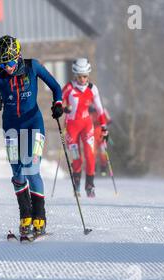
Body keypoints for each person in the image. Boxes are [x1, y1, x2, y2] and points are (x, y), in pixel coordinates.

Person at [0, 35, 63, 237]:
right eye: (2, 63)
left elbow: (56, 87)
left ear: (17, 56)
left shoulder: (32, 66)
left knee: (31, 168)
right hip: (11, 128)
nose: (6, 67)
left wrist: (58, 104)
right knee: (17, 174)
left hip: (33, 124)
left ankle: (40, 218)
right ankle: (25, 217)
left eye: (9, 62)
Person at [62, 58, 108, 198]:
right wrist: (64, 108)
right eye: (80, 76)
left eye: (85, 76)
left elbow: (100, 109)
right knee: (77, 159)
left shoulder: (93, 89)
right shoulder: (69, 88)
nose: (82, 79)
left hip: (87, 124)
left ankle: (90, 186)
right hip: (72, 126)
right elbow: (58, 102)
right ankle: (76, 186)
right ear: (75, 75)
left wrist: (104, 126)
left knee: (90, 155)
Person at [90, 106, 112, 176]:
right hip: (93, 134)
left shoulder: (103, 110)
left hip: (103, 133)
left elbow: (109, 120)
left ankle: (103, 168)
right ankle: (94, 168)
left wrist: (104, 122)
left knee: (103, 152)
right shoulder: (90, 111)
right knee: (93, 152)